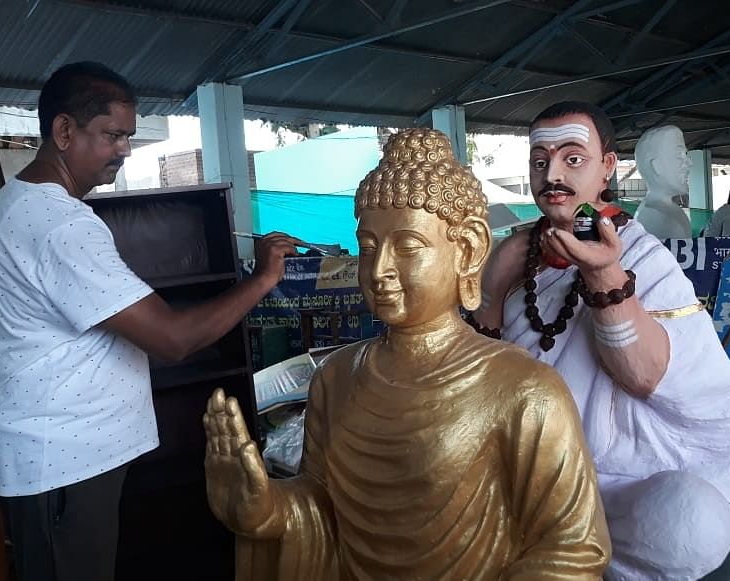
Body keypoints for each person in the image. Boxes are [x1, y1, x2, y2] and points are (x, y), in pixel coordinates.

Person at [204, 128, 610, 579]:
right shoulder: (335, 377)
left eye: (408, 247)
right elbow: (321, 508)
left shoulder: (525, 390)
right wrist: (268, 511)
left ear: (469, 250)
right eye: (368, 248)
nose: (379, 271)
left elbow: (573, 549)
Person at [0, 62, 299, 581]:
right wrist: (262, 279)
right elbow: (174, 339)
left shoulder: (24, 204)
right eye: (112, 136)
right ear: (63, 131)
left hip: (67, 460)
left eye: (127, 136)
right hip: (63, 464)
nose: (125, 151)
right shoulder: (60, 224)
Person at [474, 101, 730, 581]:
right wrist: (492, 293)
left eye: (572, 158)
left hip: (618, 482)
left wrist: (603, 274)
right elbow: (479, 385)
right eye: (540, 162)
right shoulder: (517, 256)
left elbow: (644, 375)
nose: (552, 174)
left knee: (687, 522)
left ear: (607, 168)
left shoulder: (644, 254)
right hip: (519, 475)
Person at [632, 125, 693, 240]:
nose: (689, 163)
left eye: (685, 154)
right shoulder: (663, 219)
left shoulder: (666, 212)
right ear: (656, 165)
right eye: (679, 156)